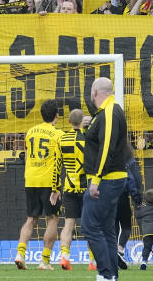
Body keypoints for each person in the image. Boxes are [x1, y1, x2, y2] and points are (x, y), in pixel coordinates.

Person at [81, 77, 132, 281]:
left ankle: (105, 273)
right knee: (107, 229)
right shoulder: (106, 112)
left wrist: (96, 179)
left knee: (89, 226)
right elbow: (99, 142)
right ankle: (111, 275)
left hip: (106, 179)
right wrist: (89, 127)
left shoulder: (110, 112)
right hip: (112, 178)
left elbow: (106, 148)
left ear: (94, 92)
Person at [16, 99, 63, 270]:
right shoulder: (59, 135)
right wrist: (56, 188)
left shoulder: (30, 132)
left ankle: (20, 254)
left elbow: (28, 157)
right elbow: (59, 161)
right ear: (57, 115)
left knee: (31, 219)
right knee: (52, 218)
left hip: (31, 179)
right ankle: (45, 261)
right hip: (48, 181)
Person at [59, 109, 92, 271]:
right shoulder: (88, 138)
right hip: (87, 187)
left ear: (69, 122)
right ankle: (93, 261)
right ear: (82, 121)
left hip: (69, 186)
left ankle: (64, 257)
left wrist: (54, 188)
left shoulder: (62, 138)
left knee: (68, 224)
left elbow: (57, 165)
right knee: (91, 224)